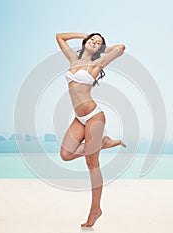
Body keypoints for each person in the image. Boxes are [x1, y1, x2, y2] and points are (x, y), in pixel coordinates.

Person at [56, 32, 126, 227]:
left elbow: (121, 48)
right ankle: (103, 143)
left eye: (99, 42)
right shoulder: (73, 58)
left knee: (92, 164)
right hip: (79, 118)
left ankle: (96, 209)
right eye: (92, 40)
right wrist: (85, 35)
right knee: (65, 154)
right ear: (85, 42)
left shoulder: (98, 64)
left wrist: (104, 49)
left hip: (94, 116)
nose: (95, 43)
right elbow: (59, 37)